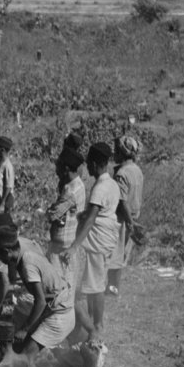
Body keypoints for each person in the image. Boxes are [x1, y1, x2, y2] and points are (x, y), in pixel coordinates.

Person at [0, 225, 75, 359]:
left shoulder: (27, 265)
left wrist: (24, 330)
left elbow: (40, 302)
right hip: (53, 305)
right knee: (18, 349)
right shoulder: (21, 244)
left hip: (59, 313)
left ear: (6, 251)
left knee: (25, 358)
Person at [68, 143, 121, 355]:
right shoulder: (111, 184)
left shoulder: (100, 188)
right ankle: (91, 324)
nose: (87, 167)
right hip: (104, 241)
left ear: (97, 163)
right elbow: (102, 212)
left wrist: (75, 246)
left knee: (96, 286)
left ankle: (97, 327)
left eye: (90, 163)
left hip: (98, 242)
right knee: (93, 284)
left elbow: (91, 220)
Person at [107, 134, 145, 295]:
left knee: (115, 254)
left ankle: (112, 287)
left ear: (122, 153)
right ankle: (114, 286)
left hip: (123, 218)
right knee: (122, 253)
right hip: (134, 216)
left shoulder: (121, 173)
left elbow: (122, 201)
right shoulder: (137, 170)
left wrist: (129, 222)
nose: (114, 154)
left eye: (116, 151)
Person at [46, 146, 88, 277]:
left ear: (66, 168)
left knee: (57, 282)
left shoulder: (70, 190)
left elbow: (53, 215)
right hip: (70, 240)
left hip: (61, 246)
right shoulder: (79, 184)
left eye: (58, 166)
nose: (56, 170)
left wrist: (46, 211)